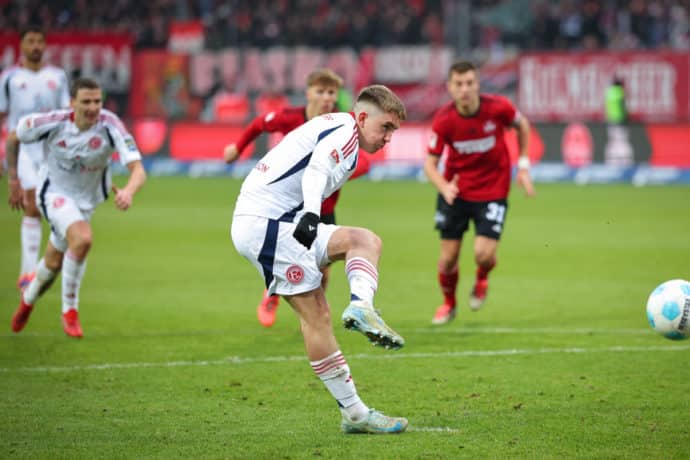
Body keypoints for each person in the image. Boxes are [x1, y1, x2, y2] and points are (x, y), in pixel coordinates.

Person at [231, 85, 408, 434]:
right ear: (361, 117)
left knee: (364, 240)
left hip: (286, 221)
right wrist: (313, 215)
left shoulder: (349, 142)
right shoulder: (345, 131)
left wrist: (308, 217)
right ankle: (356, 414)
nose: (389, 137)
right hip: (265, 224)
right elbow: (315, 170)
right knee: (317, 315)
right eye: (385, 127)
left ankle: (361, 305)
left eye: (394, 130)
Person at [223, 68, 370, 328]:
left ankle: (315, 315)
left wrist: (334, 175)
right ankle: (272, 296)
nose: (326, 98)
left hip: (324, 208)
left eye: (331, 92)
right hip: (287, 209)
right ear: (308, 93)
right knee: (287, 257)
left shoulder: (342, 126)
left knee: (323, 272)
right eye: (320, 91)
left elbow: (364, 163)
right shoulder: (293, 118)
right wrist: (238, 147)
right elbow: (260, 124)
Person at [7, 77, 147, 338]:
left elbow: (138, 170)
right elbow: (14, 138)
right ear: (72, 103)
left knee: (52, 264)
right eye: (86, 102)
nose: (93, 107)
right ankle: (70, 310)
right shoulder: (52, 122)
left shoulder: (110, 125)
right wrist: (13, 178)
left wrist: (128, 191)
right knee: (82, 239)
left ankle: (27, 301)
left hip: (87, 203)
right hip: (54, 195)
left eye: (97, 101)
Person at [424, 61, 536, 325]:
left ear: (477, 84)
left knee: (483, 255)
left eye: (470, 83)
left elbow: (523, 125)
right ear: (450, 88)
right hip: (456, 191)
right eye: (459, 84)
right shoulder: (444, 120)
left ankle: (482, 278)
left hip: (493, 189)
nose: (465, 89)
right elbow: (429, 164)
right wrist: (444, 186)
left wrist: (523, 165)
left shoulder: (498, 108)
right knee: (448, 258)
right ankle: (449, 304)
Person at [0, 26, 70, 290]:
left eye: (40, 40)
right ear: (21, 46)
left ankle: (44, 265)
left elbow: (65, 115)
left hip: (49, 148)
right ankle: (27, 272)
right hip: (23, 148)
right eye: (30, 41)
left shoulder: (57, 77)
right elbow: (2, 116)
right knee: (31, 202)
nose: (36, 46)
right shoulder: (10, 78)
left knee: (46, 206)